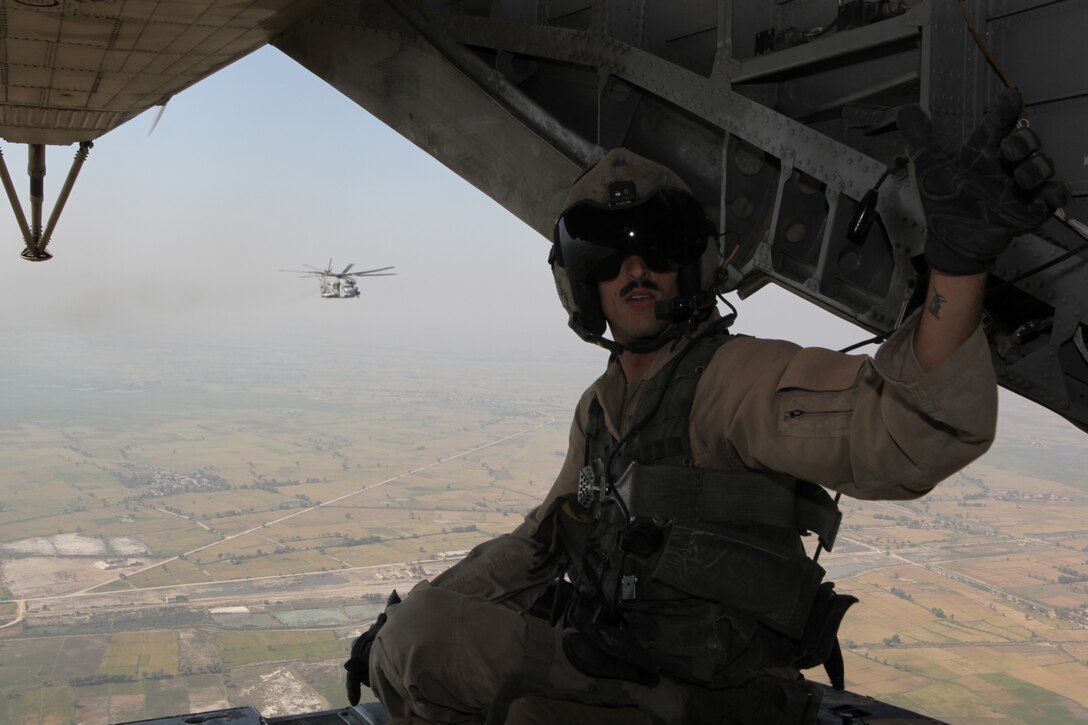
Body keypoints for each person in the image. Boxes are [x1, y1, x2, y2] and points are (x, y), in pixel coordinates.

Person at [343, 89, 1068, 724]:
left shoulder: (730, 378)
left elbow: (901, 431)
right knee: (415, 637)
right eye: (607, 254)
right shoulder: (601, 409)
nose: (635, 268)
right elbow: (533, 547)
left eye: (658, 248)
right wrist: (398, 617)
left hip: (711, 697)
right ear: (582, 284)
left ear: (689, 265)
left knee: (423, 643)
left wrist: (958, 271)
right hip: (627, 675)